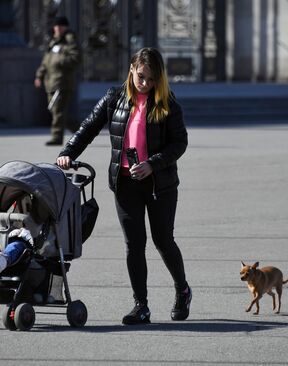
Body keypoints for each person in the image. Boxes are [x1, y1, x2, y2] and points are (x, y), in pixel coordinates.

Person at [56, 47, 192, 325]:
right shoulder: (114, 98)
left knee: (163, 241)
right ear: (132, 69)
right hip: (126, 183)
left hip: (159, 185)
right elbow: (88, 127)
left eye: (152, 79)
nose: (146, 83)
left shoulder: (168, 103)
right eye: (142, 76)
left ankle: (182, 290)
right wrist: (69, 152)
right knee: (134, 244)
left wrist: (153, 163)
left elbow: (180, 143)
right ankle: (141, 306)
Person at [34, 15, 81, 146]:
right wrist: (39, 75)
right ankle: (81, 130)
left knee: (58, 111)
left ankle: (56, 137)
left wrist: (59, 60)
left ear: (66, 27)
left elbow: (76, 58)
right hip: (51, 82)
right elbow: (46, 61)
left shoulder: (70, 41)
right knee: (55, 110)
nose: (58, 29)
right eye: (56, 26)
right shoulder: (53, 42)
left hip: (63, 82)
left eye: (61, 26)